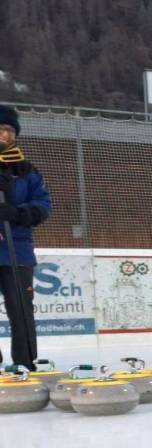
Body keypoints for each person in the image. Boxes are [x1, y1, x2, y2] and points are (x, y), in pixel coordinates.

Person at [0, 105, 51, 370]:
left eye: (8, 130)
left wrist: (16, 212)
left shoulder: (27, 171)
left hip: (17, 251)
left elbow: (43, 207)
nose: (3, 135)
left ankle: (24, 361)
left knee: (21, 310)